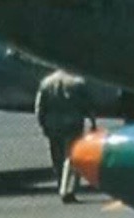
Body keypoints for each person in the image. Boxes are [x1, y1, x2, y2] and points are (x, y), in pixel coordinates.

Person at [35, 69, 94, 204]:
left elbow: (40, 106)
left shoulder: (46, 82)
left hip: (53, 124)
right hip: (72, 122)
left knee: (57, 157)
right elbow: (86, 105)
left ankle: (60, 183)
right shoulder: (77, 82)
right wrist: (93, 121)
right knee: (72, 157)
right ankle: (68, 190)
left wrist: (42, 123)